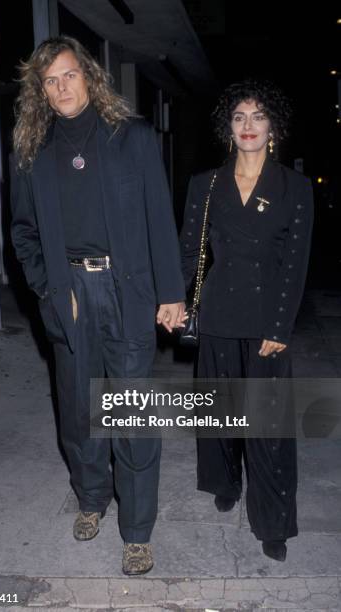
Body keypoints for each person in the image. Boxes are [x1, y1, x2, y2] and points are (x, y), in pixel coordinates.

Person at [10, 35, 186, 575]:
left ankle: (137, 531)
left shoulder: (131, 137)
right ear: (41, 91)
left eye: (69, 75)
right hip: (71, 295)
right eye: (51, 80)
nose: (62, 87)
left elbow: (159, 217)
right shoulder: (31, 152)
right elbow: (22, 233)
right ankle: (91, 499)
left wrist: (172, 292)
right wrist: (49, 289)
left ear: (88, 76)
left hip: (126, 291)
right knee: (81, 411)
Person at [180, 79, 313, 562]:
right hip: (217, 314)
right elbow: (187, 250)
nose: (248, 126)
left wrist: (280, 328)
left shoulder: (294, 188)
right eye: (239, 117)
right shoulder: (206, 184)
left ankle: (273, 521)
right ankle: (224, 483)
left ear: (272, 125)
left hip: (264, 322)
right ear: (227, 128)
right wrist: (173, 299)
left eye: (258, 116)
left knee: (268, 428)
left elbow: (296, 264)